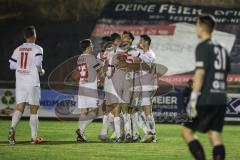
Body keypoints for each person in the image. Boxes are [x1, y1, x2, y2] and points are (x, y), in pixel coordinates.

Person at [182, 15, 230, 160]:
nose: (196, 28)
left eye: (197, 25)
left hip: (206, 97)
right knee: (214, 134)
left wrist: (193, 98)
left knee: (187, 132)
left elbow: (200, 73)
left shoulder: (203, 46)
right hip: (221, 97)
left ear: (202, 27)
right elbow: (225, 72)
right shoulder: (222, 48)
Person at [8, 25, 45, 144]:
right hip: (32, 81)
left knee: (20, 107)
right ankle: (34, 138)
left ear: (25, 36)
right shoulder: (38, 49)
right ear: (34, 35)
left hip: (20, 82)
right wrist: (41, 71)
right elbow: (38, 64)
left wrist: (21, 67)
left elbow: (12, 65)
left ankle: (12, 129)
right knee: (34, 109)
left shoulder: (18, 49)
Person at [128, 34, 157, 143]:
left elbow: (147, 61)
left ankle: (151, 134)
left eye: (141, 40)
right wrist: (136, 49)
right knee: (139, 110)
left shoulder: (150, 54)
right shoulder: (144, 53)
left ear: (145, 42)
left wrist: (138, 53)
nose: (139, 42)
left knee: (147, 111)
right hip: (143, 86)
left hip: (148, 86)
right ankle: (151, 134)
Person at [75, 39, 102, 142]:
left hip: (82, 85)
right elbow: (99, 70)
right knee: (95, 111)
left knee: (83, 112)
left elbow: (88, 70)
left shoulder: (79, 58)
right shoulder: (91, 57)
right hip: (90, 86)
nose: (93, 47)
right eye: (91, 45)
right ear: (87, 47)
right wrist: (104, 63)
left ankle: (80, 136)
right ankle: (81, 130)